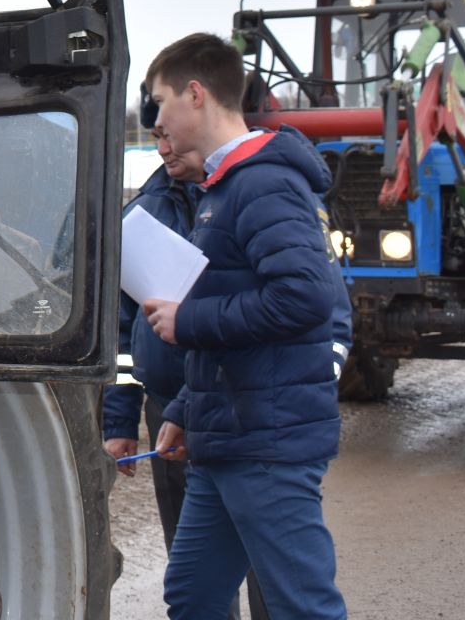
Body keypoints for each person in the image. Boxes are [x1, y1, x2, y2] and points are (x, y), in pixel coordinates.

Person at [143, 33, 348, 620]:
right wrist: (186, 408)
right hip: (227, 432)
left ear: (196, 94)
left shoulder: (262, 182)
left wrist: (189, 320)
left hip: (268, 440)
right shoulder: (223, 187)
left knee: (300, 606)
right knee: (194, 595)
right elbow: (236, 309)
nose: (158, 119)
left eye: (161, 103)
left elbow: (305, 297)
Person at [105, 116, 270, 620]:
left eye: (167, 133)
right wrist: (118, 422)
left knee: (269, 565)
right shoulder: (142, 214)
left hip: (249, 407)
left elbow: (309, 310)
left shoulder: (256, 200)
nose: (161, 148)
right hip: (172, 411)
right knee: (195, 567)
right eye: (154, 136)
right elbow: (123, 330)